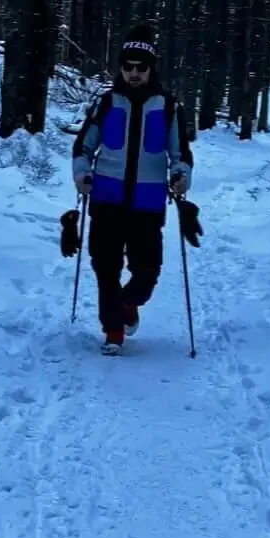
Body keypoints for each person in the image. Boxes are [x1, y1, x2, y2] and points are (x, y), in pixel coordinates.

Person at [71, 23, 194, 355]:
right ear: (120, 68)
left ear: (151, 69)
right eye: (128, 67)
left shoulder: (168, 107)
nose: (134, 73)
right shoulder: (107, 103)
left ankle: (128, 303)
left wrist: (181, 175)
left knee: (147, 273)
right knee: (106, 267)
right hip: (106, 201)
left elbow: (180, 154)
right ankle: (113, 330)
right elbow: (83, 148)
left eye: (141, 68)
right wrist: (81, 175)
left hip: (148, 203)